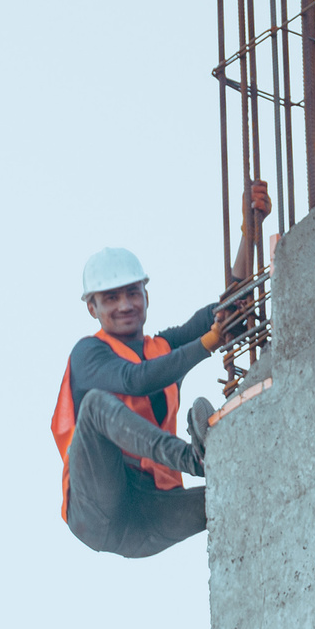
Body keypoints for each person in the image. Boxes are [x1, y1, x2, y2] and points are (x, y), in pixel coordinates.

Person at [52, 180, 269, 559]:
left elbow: (231, 306)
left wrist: (250, 233)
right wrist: (206, 345)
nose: (124, 305)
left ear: (146, 296)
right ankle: (198, 459)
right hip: (97, 510)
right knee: (97, 407)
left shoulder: (162, 348)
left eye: (132, 293)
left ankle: (212, 462)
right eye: (111, 298)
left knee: (241, 492)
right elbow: (133, 381)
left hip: (149, 518)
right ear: (93, 309)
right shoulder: (89, 353)